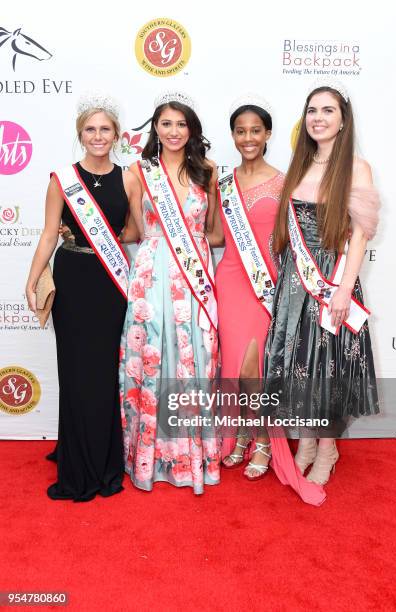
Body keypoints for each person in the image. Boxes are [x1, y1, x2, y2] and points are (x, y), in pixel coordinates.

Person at [210, 95, 325, 506]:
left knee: (255, 368)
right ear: (233, 136)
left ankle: (261, 440)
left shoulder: (284, 181)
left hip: (267, 284)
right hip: (229, 280)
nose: (247, 138)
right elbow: (217, 236)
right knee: (235, 365)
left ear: (268, 134)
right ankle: (239, 434)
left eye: (255, 130)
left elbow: (294, 237)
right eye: (240, 131)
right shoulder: (220, 181)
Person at [26, 93, 141, 501]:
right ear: (80, 134)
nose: (97, 136)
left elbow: (135, 232)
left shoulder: (129, 178)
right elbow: (46, 233)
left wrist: (102, 236)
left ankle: (105, 457)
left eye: (104, 129)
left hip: (110, 282)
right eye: (90, 129)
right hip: (72, 279)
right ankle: (78, 458)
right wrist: (33, 276)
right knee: (75, 371)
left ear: (116, 134)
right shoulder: (63, 179)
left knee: (101, 370)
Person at [264, 80, 380, 485]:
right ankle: (308, 441)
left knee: (327, 367)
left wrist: (345, 289)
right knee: (301, 366)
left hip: (332, 279)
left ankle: (328, 449)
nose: (318, 118)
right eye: (312, 110)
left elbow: (361, 234)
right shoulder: (299, 164)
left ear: (343, 119)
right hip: (296, 282)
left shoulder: (356, 168)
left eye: (328, 110)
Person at [119, 91, 221, 495]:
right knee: (152, 357)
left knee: (193, 357)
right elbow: (131, 230)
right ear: (155, 128)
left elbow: (214, 233)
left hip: (193, 275)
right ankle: (147, 455)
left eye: (182, 123)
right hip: (151, 276)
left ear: (192, 128)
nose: (174, 131)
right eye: (166, 123)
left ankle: (190, 454)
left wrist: (194, 245)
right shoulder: (137, 172)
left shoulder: (209, 171)